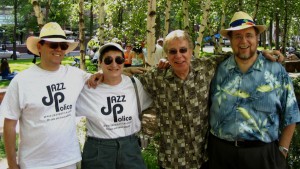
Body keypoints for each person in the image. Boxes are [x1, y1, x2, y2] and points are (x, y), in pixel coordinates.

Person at [89, 29, 284, 169]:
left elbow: (238, 52)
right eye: (172, 52)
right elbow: (123, 80)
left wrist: (260, 54)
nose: (179, 56)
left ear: (191, 51)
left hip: (205, 159)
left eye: (183, 50)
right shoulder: (156, 79)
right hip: (172, 161)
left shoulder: (207, 68)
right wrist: (102, 72)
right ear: (166, 54)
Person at [208, 11, 300, 169]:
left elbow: (291, 115)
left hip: (262, 156)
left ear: (257, 38)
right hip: (221, 155)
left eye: (249, 35)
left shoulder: (276, 71)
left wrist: (282, 153)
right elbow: (185, 61)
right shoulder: (217, 70)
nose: (243, 41)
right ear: (230, 40)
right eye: (237, 36)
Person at [1, 22, 90, 169]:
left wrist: (126, 70)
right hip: (33, 163)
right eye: (53, 45)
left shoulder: (75, 75)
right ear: (39, 47)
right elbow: (9, 124)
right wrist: (11, 164)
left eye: (63, 46)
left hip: (68, 160)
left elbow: (102, 78)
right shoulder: (21, 81)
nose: (59, 49)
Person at [76, 42, 152, 169]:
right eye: (108, 60)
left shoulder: (134, 84)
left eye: (119, 59)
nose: (114, 64)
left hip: (130, 148)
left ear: (124, 61)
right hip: (98, 151)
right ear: (100, 62)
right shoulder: (88, 88)